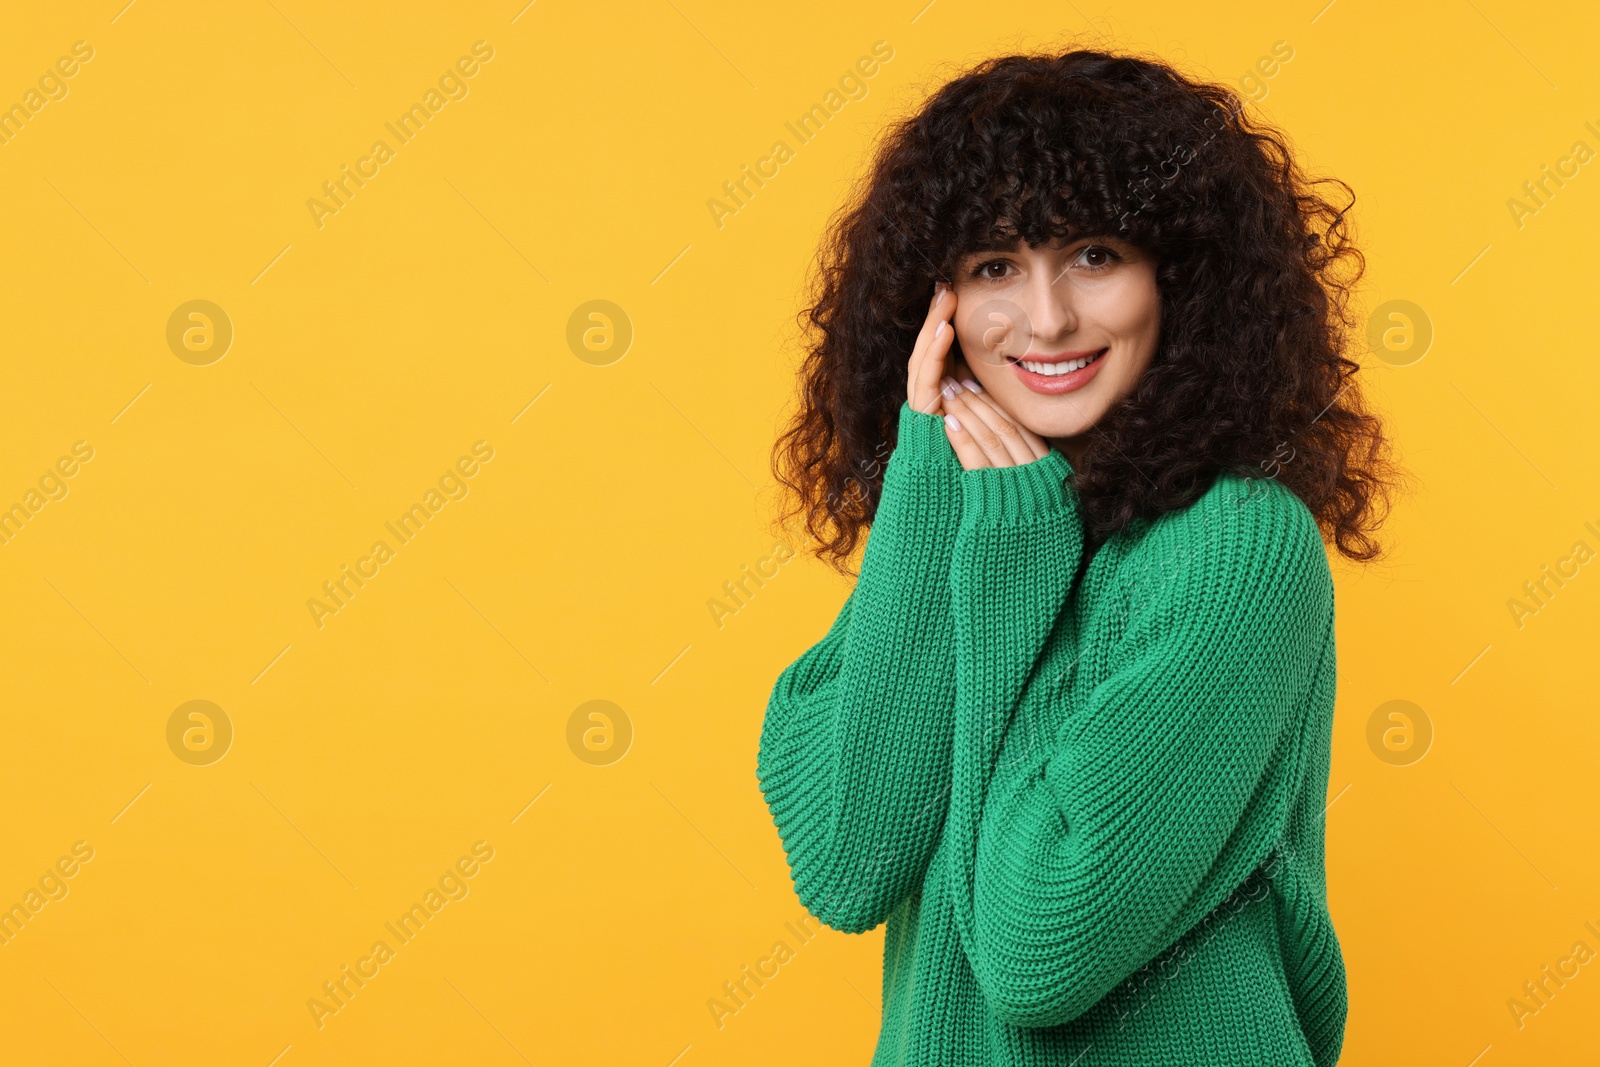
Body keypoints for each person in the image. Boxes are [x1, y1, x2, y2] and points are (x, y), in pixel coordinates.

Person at [758, 46, 1401, 1066]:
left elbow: (1039, 949)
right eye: (993, 266)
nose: (1047, 317)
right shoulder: (964, 526)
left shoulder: (1233, 546)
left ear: (1180, 278)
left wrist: (1013, 554)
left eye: (1095, 255)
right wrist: (931, 496)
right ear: (936, 305)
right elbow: (847, 858)